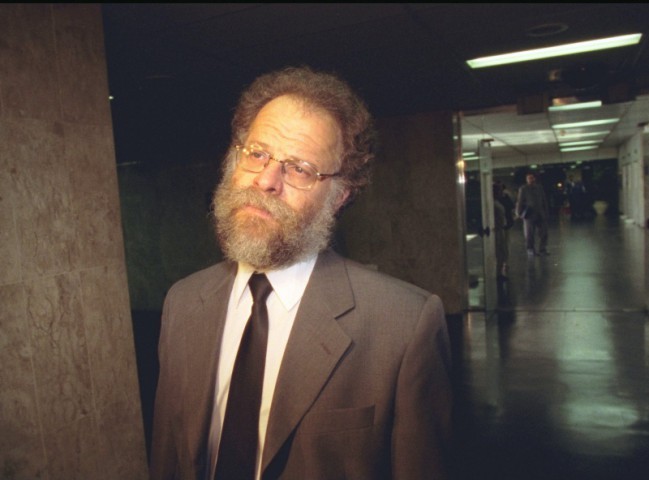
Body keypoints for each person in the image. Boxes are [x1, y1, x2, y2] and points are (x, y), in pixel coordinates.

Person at [149, 66, 453, 480]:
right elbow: (168, 457)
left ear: (339, 196)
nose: (266, 180)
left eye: (300, 169)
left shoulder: (404, 325)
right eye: (257, 153)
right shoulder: (182, 303)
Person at [516, 173, 550, 256]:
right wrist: (519, 212)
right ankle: (530, 249)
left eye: (531, 178)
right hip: (529, 215)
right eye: (528, 178)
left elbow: (544, 200)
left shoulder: (539, 188)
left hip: (540, 213)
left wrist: (546, 211)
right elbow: (520, 201)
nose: (530, 180)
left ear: (534, 179)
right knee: (529, 234)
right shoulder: (523, 189)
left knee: (544, 233)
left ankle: (542, 249)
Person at [493, 182, 511, 278]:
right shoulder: (494, 203)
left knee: (502, 251)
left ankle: (499, 272)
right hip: (497, 229)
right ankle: (497, 273)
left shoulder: (497, 202)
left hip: (501, 228)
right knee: (499, 251)